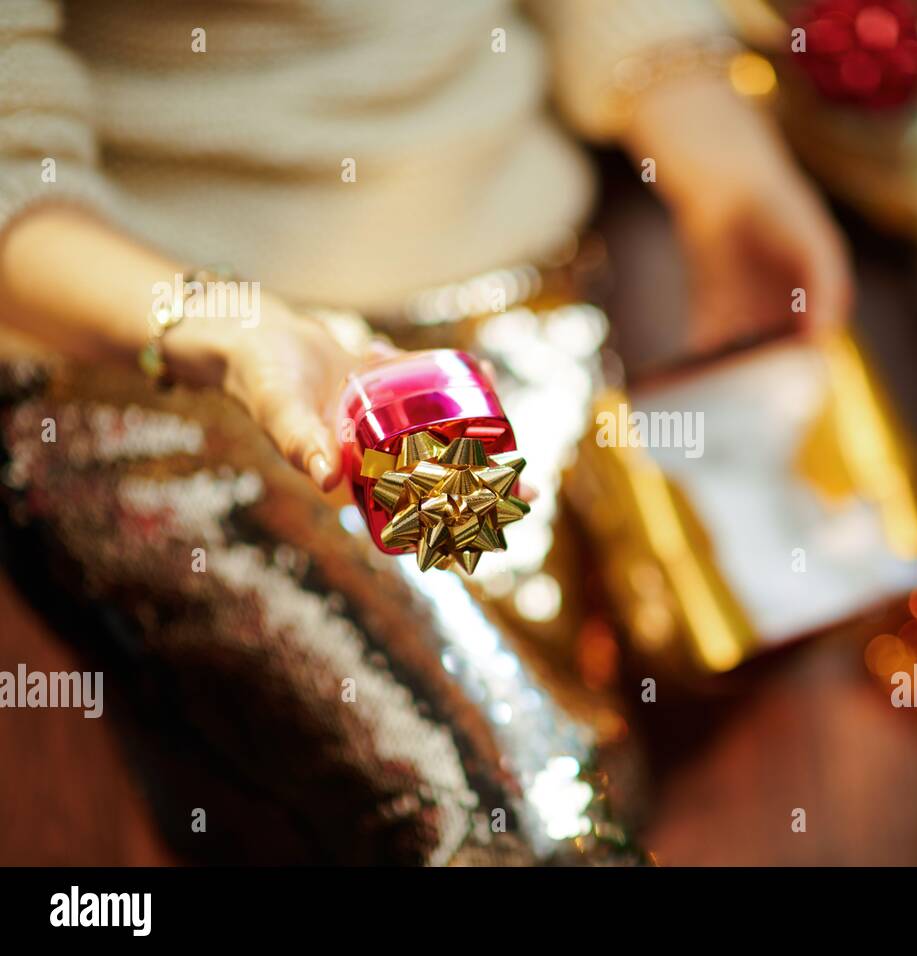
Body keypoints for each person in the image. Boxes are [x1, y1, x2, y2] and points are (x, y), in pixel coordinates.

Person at [0, 0, 852, 865]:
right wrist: (234, 331)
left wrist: (725, 167)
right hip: (168, 365)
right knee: (517, 821)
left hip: (532, 300)